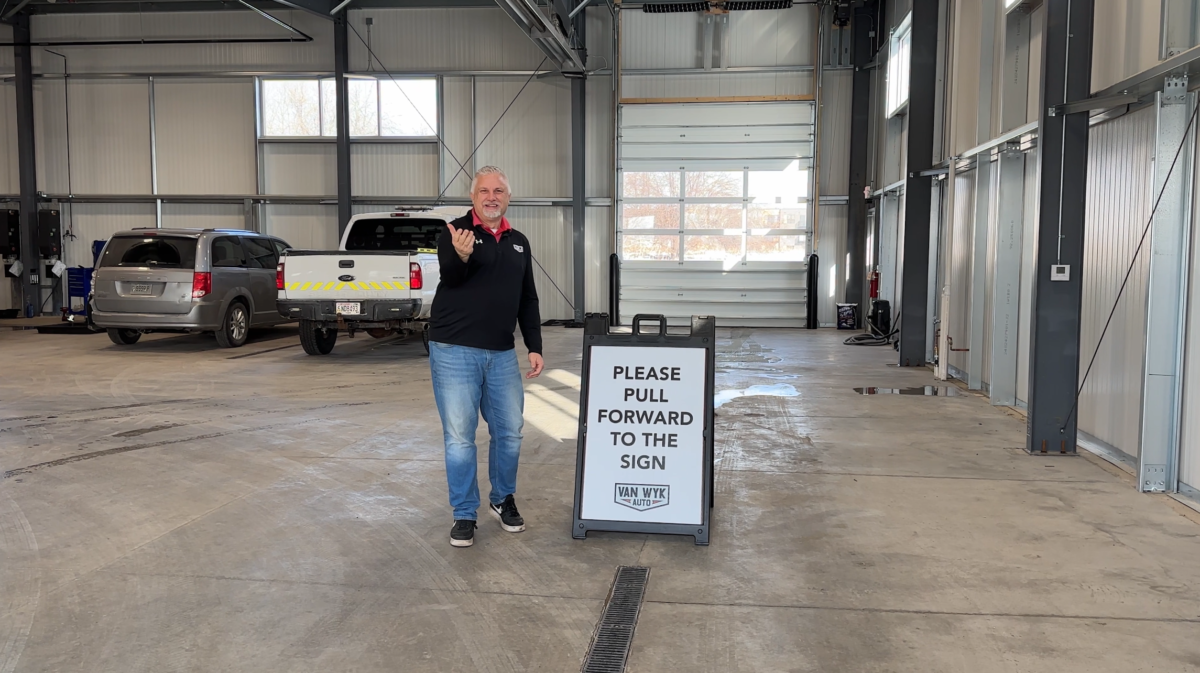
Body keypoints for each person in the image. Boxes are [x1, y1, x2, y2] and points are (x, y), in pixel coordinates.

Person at [429, 166, 544, 548]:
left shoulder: (519, 242)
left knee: (509, 432)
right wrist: (461, 258)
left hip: (501, 353)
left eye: (499, 190)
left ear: (508, 197)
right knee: (461, 438)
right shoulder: (455, 233)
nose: (491, 196)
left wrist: (535, 345)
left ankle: (502, 498)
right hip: (454, 351)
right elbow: (450, 276)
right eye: (483, 191)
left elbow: (527, 297)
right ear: (473, 197)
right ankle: (464, 513)